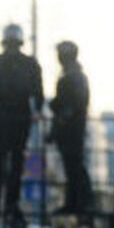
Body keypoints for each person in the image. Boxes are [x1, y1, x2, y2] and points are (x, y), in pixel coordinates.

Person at [0, 23, 44, 228]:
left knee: (0, 161)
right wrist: (36, 112)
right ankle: (9, 204)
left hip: (4, 117)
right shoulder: (30, 64)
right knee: (14, 162)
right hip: (18, 117)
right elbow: (38, 94)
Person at [47, 40, 92, 216]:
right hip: (71, 129)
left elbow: (74, 104)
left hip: (72, 130)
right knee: (72, 166)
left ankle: (80, 202)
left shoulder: (73, 77)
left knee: (75, 166)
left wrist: (60, 116)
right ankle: (75, 201)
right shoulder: (73, 76)